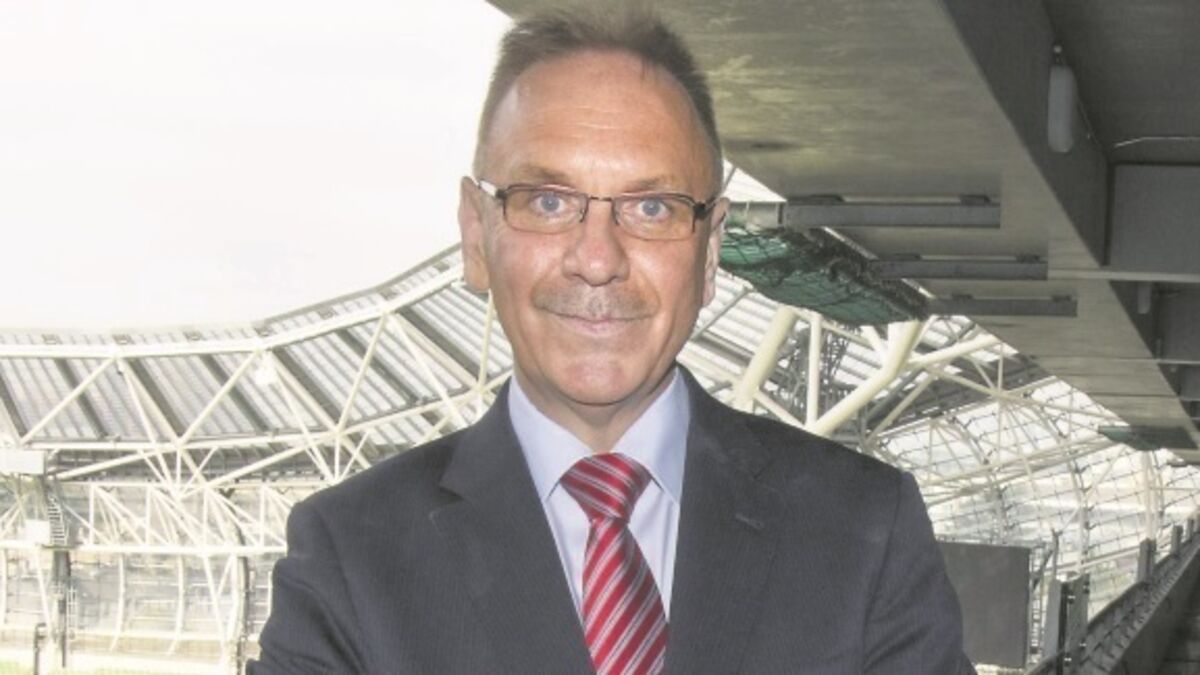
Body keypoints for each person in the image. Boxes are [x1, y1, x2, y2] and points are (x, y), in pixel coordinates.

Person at [251, 6, 975, 674]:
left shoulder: (862, 531)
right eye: (548, 201)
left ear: (710, 250)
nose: (597, 258)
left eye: (652, 207)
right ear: (476, 234)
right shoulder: (351, 556)